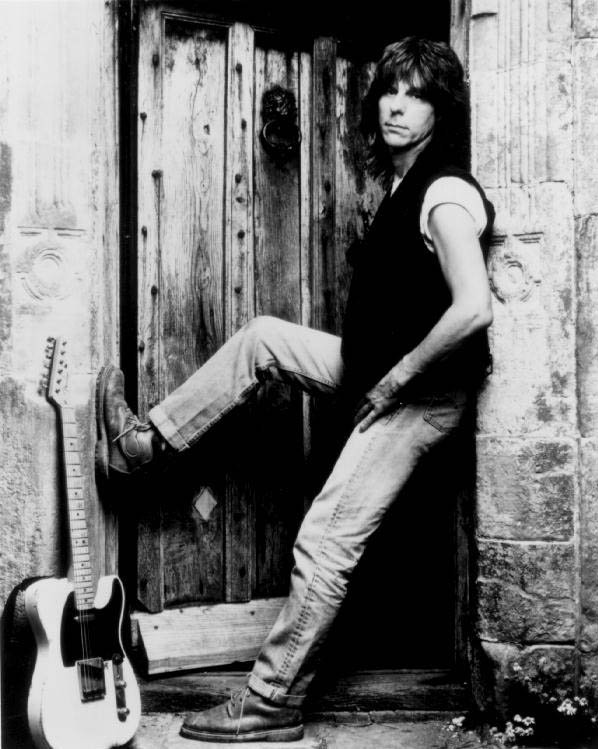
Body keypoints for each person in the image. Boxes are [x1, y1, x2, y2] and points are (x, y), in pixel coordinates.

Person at [96, 36, 495, 743]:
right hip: (377, 368)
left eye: (418, 96)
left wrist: (398, 379)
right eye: (391, 90)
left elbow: (473, 309)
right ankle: (143, 448)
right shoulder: (402, 183)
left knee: (325, 539)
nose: (398, 106)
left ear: (442, 110)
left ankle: (270, 702)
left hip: (419, 394)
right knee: (263, 339)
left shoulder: (445, 194)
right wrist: (382, 370)